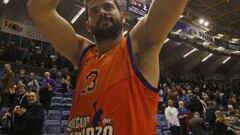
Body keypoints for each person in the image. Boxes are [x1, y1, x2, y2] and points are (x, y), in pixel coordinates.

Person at [27, 0, 188, 134]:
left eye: (108, 7)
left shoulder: (138, 47)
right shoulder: (82, 53)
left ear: (123, 17)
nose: (102, 12)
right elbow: (38, 10)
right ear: (88, 25)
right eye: (94, 10)